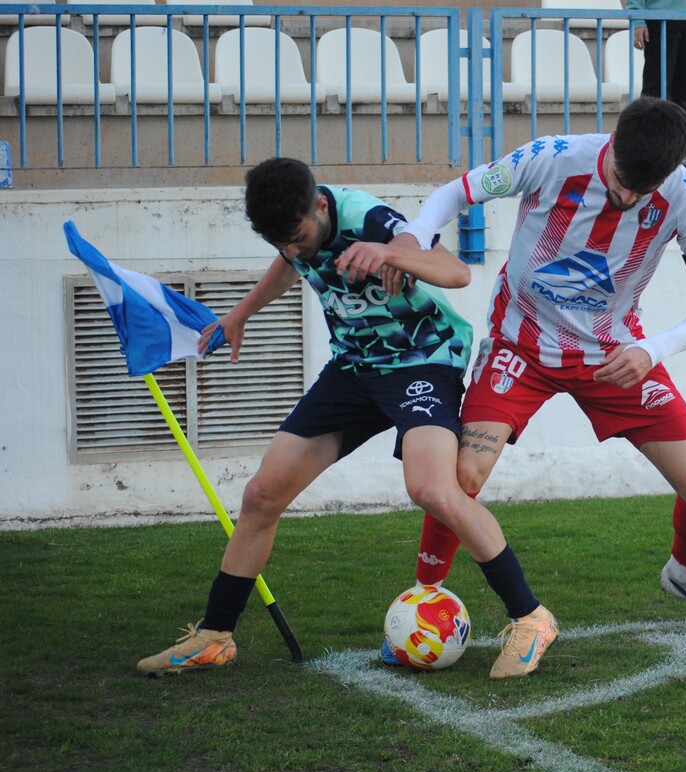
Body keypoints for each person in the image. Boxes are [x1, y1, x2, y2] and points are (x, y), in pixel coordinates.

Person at [137, 157, 557, 680]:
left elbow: (457, 273)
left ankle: (531, 618)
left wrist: (391, 252)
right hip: (354, 369)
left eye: (297, 237)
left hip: (421, 360)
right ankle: (215, 636)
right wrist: (240, 313)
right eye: (280, 243)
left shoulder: (370, 219)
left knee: (433, 490)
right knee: (261, 495)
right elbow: (289, 263)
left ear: (319, 205)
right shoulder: (293, 232)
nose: (293, 250)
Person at [396, 96, 686, 635]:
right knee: (462, 476)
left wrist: (652, 350)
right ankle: (424, 596)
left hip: (615, 356)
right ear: (613, 142)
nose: (626, 198)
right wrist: (417, 234)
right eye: (621, 181)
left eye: (642, 191)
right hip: (520, 347)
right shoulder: (552, 157)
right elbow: (457, 192)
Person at [626, 0, 686, 179]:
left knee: (684, 93)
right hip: (659, 18)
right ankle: (648, 156)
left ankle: (679, 156)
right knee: (656, 92)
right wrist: (637, 19)